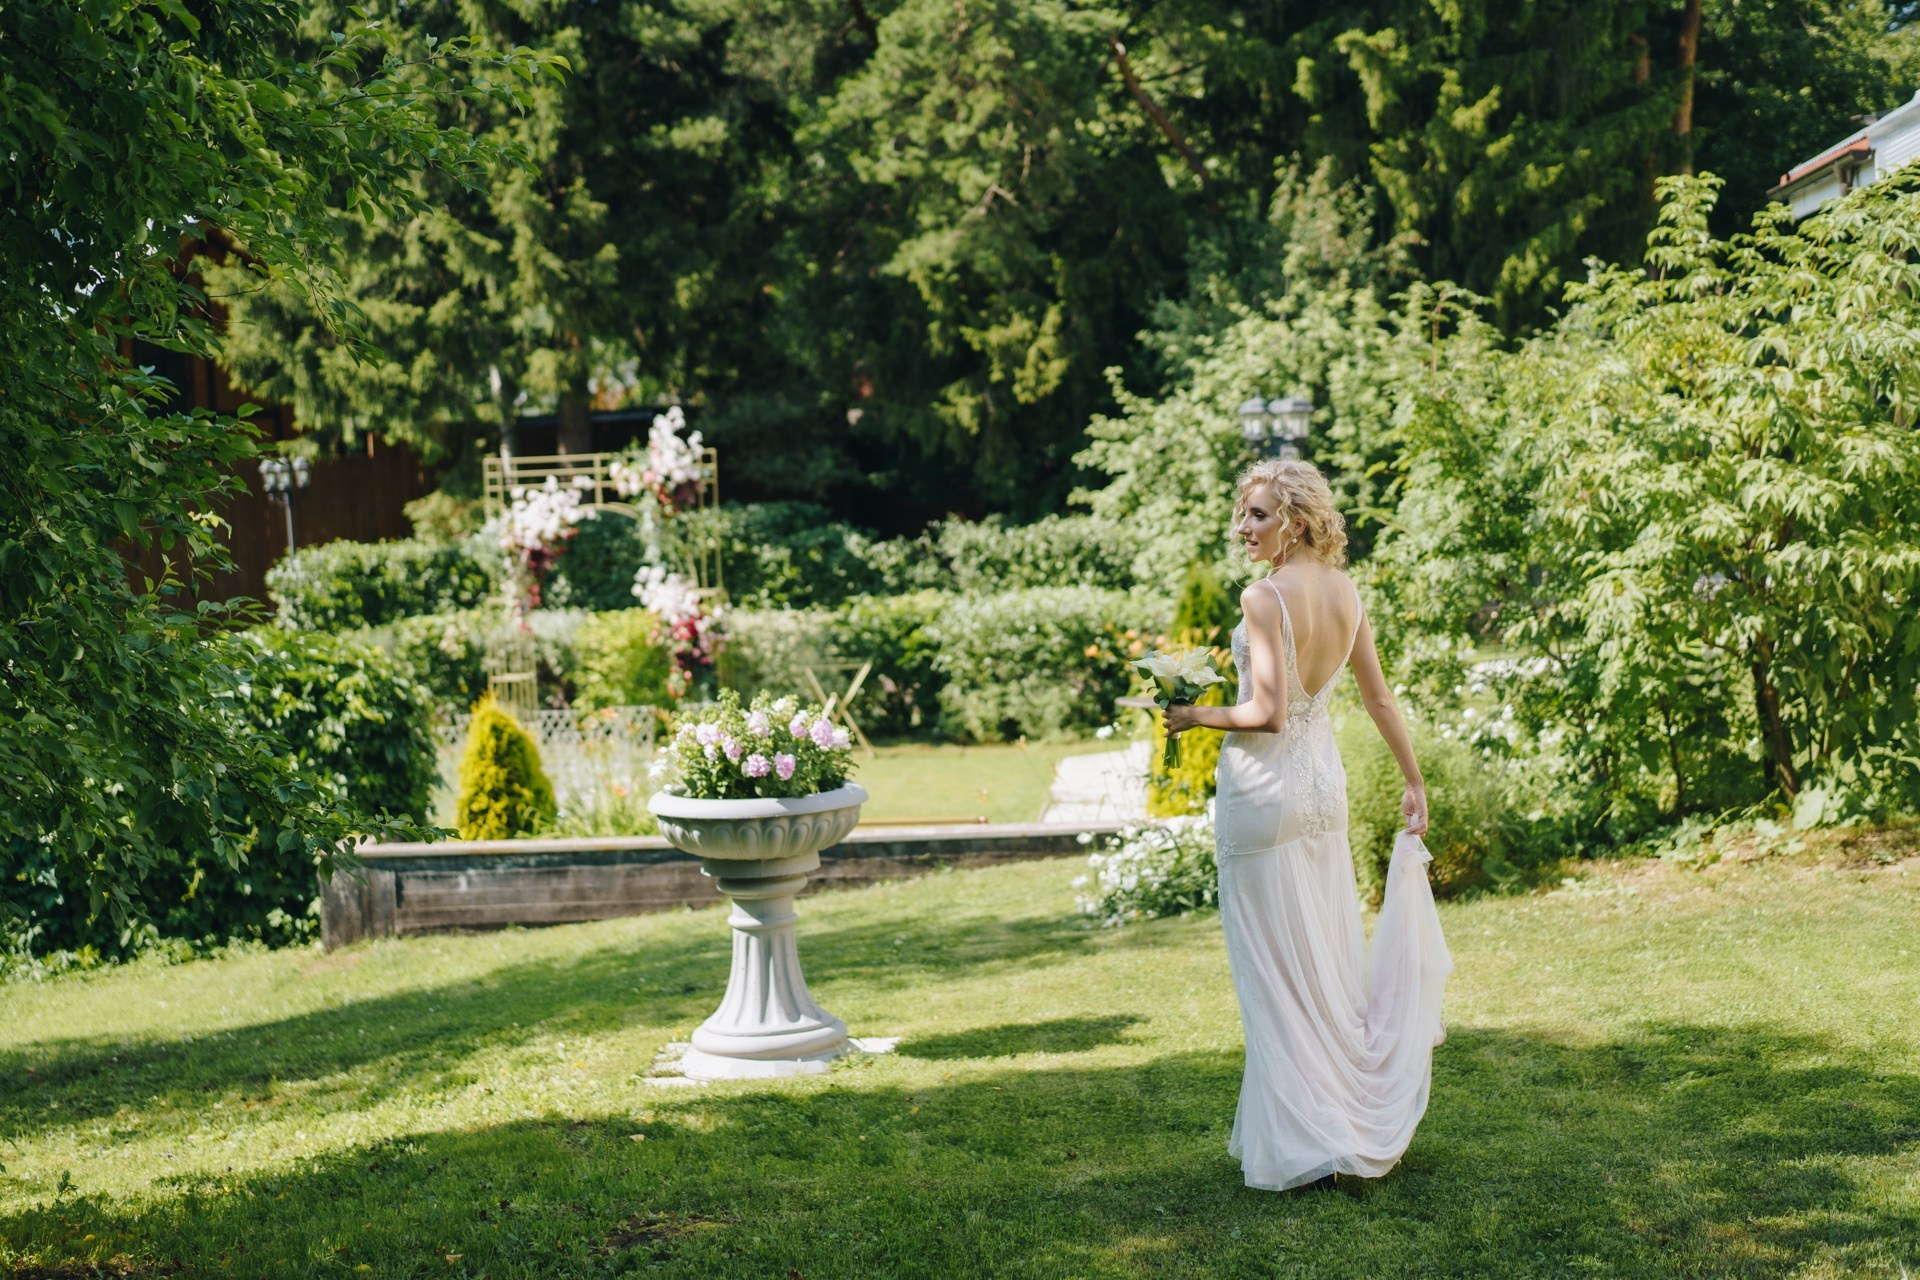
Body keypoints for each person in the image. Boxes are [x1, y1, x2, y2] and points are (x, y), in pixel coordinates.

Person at [1164, 458, 1452, 1192]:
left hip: (1264, 793)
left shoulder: (1264, 597)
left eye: (1258, 515)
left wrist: (1193, 714)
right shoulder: (1346, 591)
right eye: (1243, 512)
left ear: (1295, 522)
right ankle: (1337, 1123)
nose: (1244, 527)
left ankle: (1307, 1144)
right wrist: (1414, 780)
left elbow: (1266, 712)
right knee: (1323, 967)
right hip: (1324, 794)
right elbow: (1380, 699)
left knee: (1272, 974)